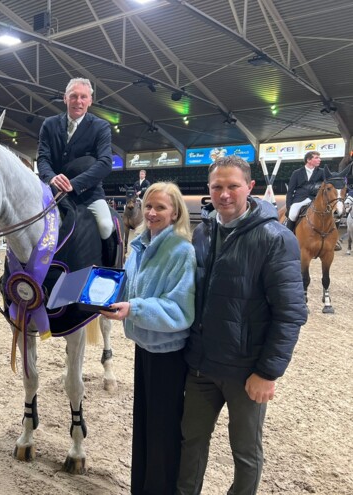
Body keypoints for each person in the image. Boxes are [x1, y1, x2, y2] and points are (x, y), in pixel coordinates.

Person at [176, 155, 307, 495]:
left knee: (245, 453)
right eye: (217, 187)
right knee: (191, 443)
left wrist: (268, 372)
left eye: (232, 186)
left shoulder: (276, 239)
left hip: (246, 371)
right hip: (202, 365)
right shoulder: (202, 233)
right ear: (209, 189)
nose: (224, 194)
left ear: (249, 187)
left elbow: (290, 313)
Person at [101, 182, 196, 495]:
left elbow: (179, 309)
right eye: (149, 207)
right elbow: (128, 288)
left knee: (163, 433)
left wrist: (133, 309)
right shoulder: (140, 245)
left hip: (167, 355)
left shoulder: (181, 251)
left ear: (175, 213)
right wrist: (102, 297)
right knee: (144, 428)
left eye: (161, 208)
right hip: (145, 348)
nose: (152, 213)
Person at [37, 77, 113, 239]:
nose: (78, 101)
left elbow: (105, 163)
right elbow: (43, 158)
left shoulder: (101, 126)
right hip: (53, 192)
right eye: (73, 96)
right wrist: (51, 178)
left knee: (106, 227)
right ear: (65, 98)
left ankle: (110, 263)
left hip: (88, 194)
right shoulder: (49, 124)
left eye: (83, 97)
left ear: (90, 101)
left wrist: (73, 185)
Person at [284, 151, 324, 233]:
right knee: (292, 214)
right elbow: (290, 191)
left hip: (315, 199)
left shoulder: (322, 172)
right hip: (299, 200)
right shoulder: (297, 173)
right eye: (316, 158)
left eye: (319, 158)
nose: (319, 160)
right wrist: (288, 207)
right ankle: (288, 235)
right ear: (309, 160)